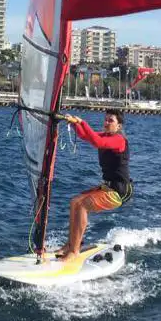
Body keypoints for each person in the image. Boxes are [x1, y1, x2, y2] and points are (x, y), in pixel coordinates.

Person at [55, 109, 132, 262]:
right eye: (106, 120)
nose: (106, 123)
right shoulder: (105, 136)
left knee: (83, 206)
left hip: (119, 191)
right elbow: (86, 136)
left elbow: (98, 142)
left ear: (119, 126)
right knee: (75, 202)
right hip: (107, 187)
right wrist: (74, 123)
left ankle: (74, 251)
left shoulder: (119, 140)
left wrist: (82, 122)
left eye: (111, 121)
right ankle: (71, 243)